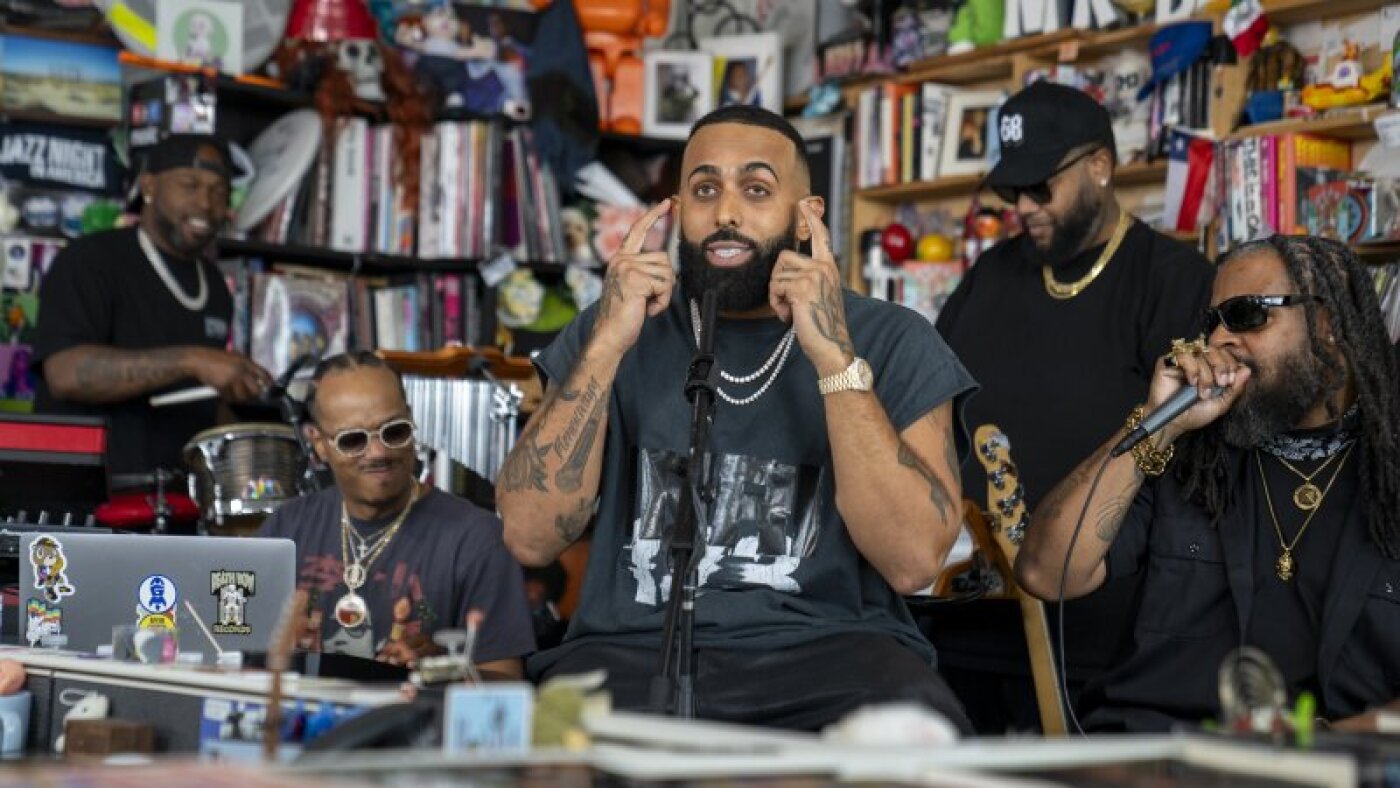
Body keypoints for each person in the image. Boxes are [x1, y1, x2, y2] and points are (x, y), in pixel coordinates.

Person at [499, 104, 977, 731]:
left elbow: (914, 560)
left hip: (836, 659)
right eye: (704, 189)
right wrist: (607, 345)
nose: (726, 212)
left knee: (915, 736)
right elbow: (529, 536)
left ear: (807, 215)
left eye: (756, 189)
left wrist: (833, 353)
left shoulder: (893, 340)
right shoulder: (613, 329)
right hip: (628, 656)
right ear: (676, 210)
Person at [1015, 235, 1400, 732]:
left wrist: (1310, 746)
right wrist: (1157, 423)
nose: (1218, 339)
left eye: (1245, 315)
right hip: (1160, 756)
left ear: (1329, 325)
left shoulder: (1386, 468)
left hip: (1335, 763)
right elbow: (1046, 572)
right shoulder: (1186, 454)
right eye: (1211, 321)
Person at [931, 80, 1215, 733]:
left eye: (1040, 188)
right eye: (1010, 193)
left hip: (1100, 637)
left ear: (1100, 167)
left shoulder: (1172, 278)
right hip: (965, 627)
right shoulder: (991, 273)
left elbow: (1185, 445)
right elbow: (935, 408)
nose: (1022, 207)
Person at [258, 352, 535, 672]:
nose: (378, 452)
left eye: (394, 432)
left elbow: (507, 686)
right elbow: (232, 654)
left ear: (412, 421)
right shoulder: (286, 528)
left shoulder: (476, 540)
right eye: (353, 440)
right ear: (319, 444)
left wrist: (439, 670)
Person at [32, 134, 272, 476]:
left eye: (219, 191)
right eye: (189, 185)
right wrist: (194, 360)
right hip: (89, 500)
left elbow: (197, 401)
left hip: (175, 500)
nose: (206, 203)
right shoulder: (90, 260)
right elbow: (66, 374)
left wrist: (256, 440)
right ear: (148, 186)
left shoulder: (215, 285)